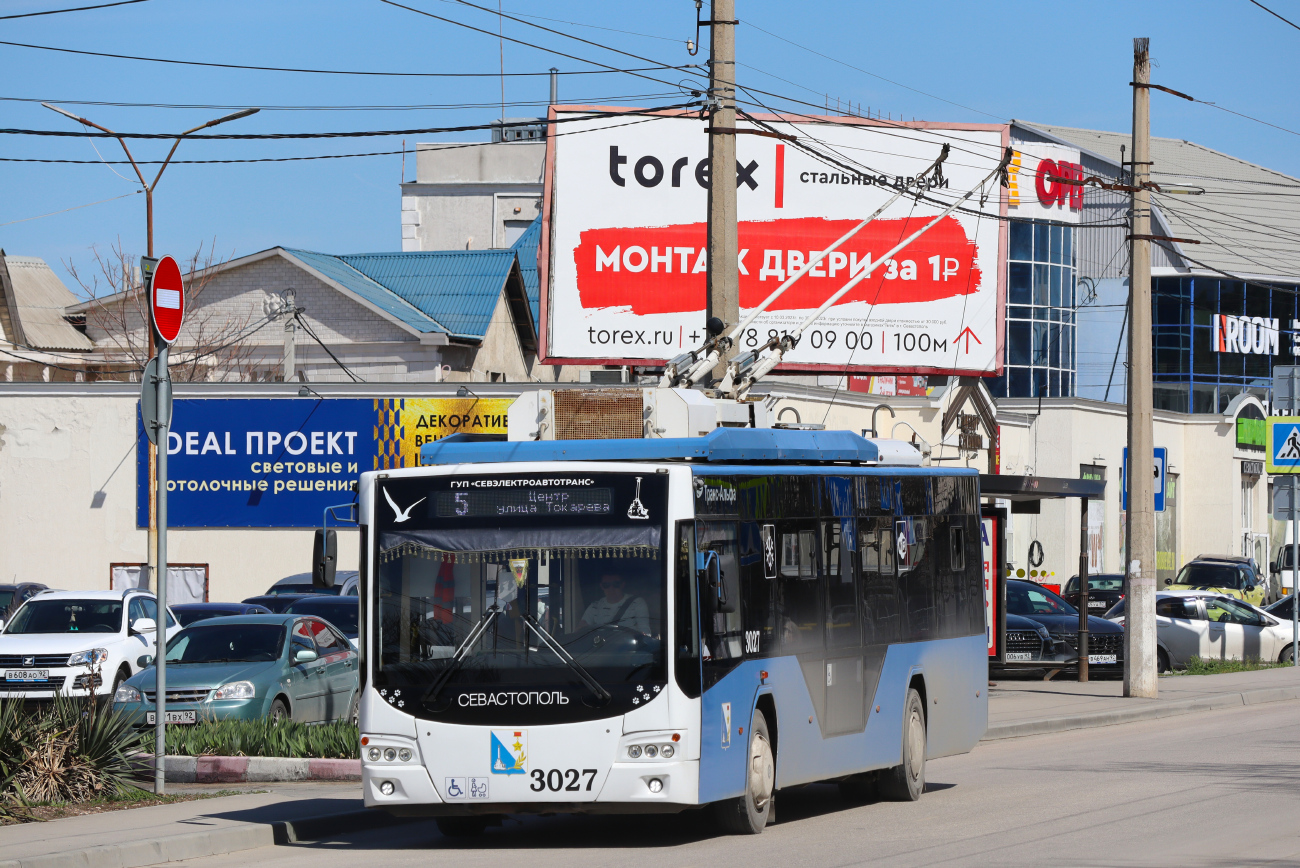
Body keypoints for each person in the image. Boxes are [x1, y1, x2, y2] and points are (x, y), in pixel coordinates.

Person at [580, 573, 650, 635]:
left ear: (622, 584)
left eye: (616, 584)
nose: (611, 588)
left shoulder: (637, 603)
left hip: (628, 645)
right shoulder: (594, 607)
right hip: (602, 646)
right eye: (606, 585)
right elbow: (580, 631)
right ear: (601, 586)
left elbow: (644, 631)